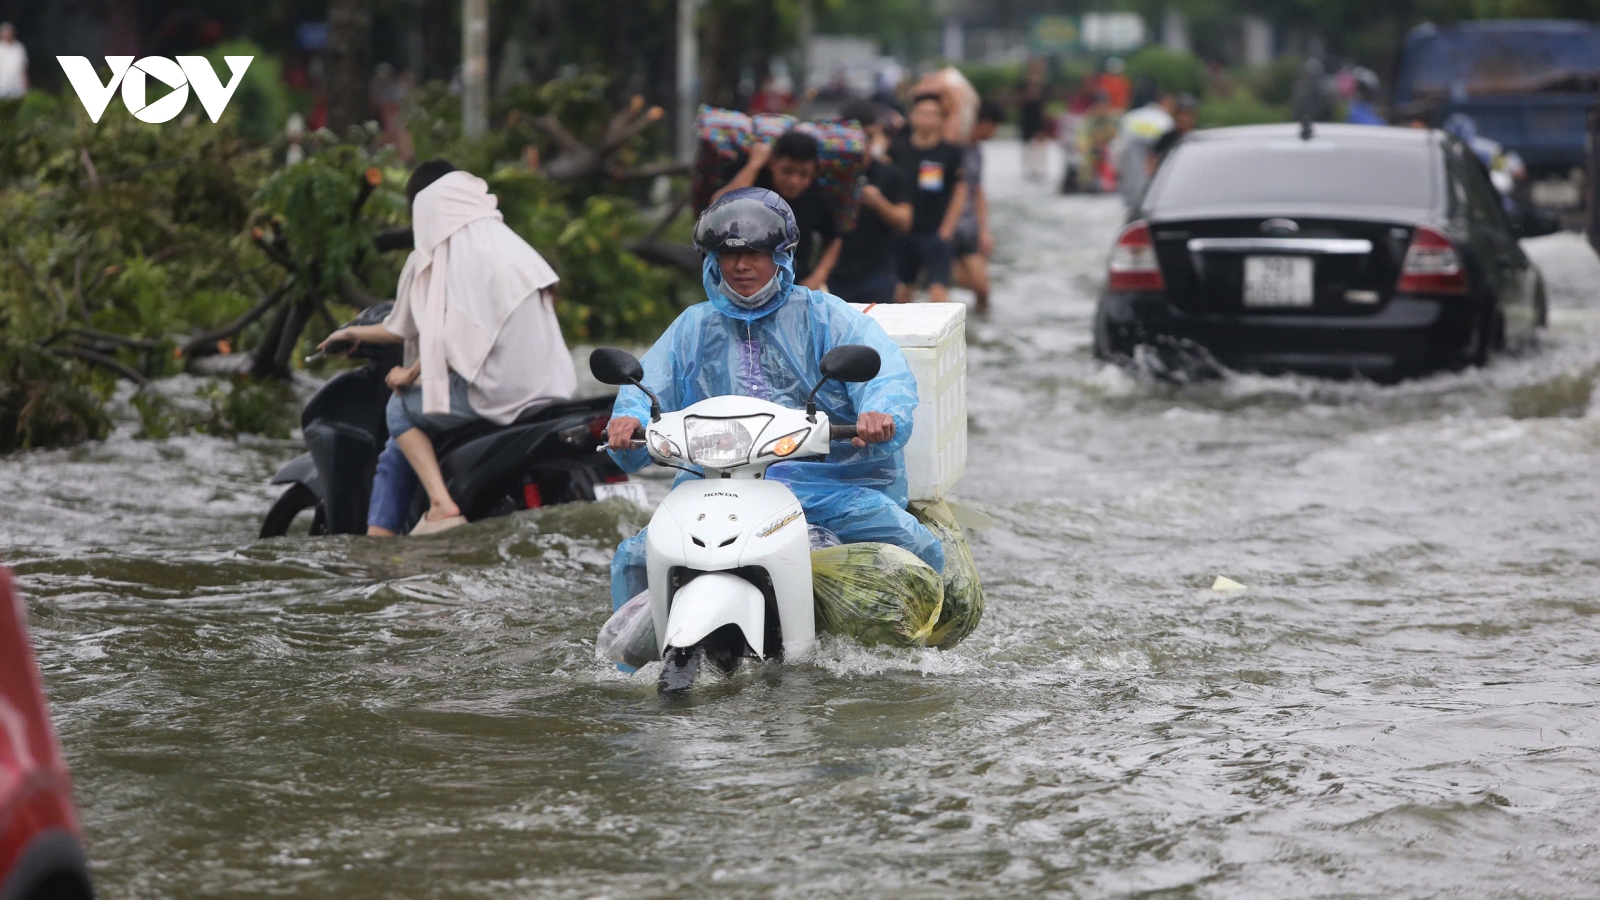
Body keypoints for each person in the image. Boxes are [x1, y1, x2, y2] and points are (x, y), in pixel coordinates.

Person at [603, 188, 944, 612]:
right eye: (729, 256)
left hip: (829, 486)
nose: (742, 265)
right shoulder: (693, 327)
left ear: (781, 257)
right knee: (638, 557)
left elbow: (886, 375)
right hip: (715, 485)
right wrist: (629, 421)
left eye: (756, 254)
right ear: (713, 261)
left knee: (913, 547)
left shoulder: (825, 316)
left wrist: (880, 414)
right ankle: (633, 661)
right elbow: (647, 386)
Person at [318, 159, 577, 536]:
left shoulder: (447, 253)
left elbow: (444, 330)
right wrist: (355, 334)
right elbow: (411, 325)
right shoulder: (506, 244)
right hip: (552, 389)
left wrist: (408, 374)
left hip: (500, 392)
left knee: (401, 408)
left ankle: (441, 503)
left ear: (424, 207)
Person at [712, 130, 841, 289]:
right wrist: (754, 164)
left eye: (804, 174)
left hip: (796, 283)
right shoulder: (754, 181)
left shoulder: (817, 195)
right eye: (787, 171)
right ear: (772, 163)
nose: (794, 181)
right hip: (744, 283)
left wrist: (819, 275)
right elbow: (717, 207)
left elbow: (834, 238)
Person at [829, 100, 913, 305]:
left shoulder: (889, 174)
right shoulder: (826, 175)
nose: (861, 145)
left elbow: (905, 221)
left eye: (867, 138)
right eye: (854, 139)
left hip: (876, 275)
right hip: (833, 277)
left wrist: (878, 202)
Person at [890, 93, 967, 304]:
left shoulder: (950, 152)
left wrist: (947, 230)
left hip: (936, 231)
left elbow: (961, 190)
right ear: (912, 116)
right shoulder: (897, 148)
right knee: (901, 292)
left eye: (933, 114)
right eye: (922, 113)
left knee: (938, 292)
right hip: (904, 232)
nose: (927, 119)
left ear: (942, 119)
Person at [952, 100, 1002, 316]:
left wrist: (984, 230)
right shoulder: (952, 146)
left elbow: (978, 191)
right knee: (953, 282)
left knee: (982, 289)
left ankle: (978, 326)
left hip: (969, 226)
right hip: (945, 225)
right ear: (985, 123)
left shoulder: (977, 151)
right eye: (995, 127)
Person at [1114, 93, 1176, 206]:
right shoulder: (1165, 120)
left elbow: (1119, 148)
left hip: (1129, 176)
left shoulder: (1131, 117)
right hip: (1153, 178)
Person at [1018, 59, 1049, 181]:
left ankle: (1039, 169)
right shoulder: (1022, 85)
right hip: (1027, 119)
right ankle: (1029, 170)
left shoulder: (1043, 85)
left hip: (1038, 120)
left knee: (1039, 147)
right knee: (1027, 147)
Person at [1150, 94, 1198, 170]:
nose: (1184, 118)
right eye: (1180, 114)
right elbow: (1152, 161)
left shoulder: (1200, 138)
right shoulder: (1166, 139)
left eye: (1187, 114)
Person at [0, 23, 27, 100]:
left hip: (17, 85)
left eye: (9, 32)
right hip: (2, 86)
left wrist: (25, 84)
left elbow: (23, 68)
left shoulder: (19, 47)